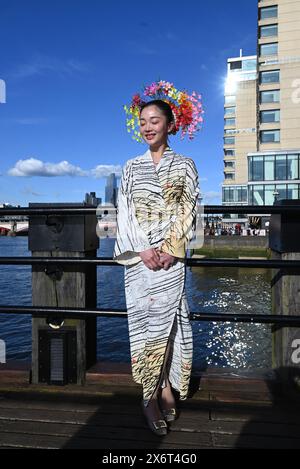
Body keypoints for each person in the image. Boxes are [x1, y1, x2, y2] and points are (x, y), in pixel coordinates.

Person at [113, 84, 202, 436]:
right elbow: (125, 212)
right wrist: (143, 249)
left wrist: (168, 248)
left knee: (168, 325)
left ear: (169, 124)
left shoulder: (185, 165)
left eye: (155, 120)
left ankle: (162, 387)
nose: (148, 127)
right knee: (144, 325)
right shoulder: (131, 168)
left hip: (170, 259)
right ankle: (150, 395)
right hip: (140, 261)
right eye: (144, 122)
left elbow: (189, 208)